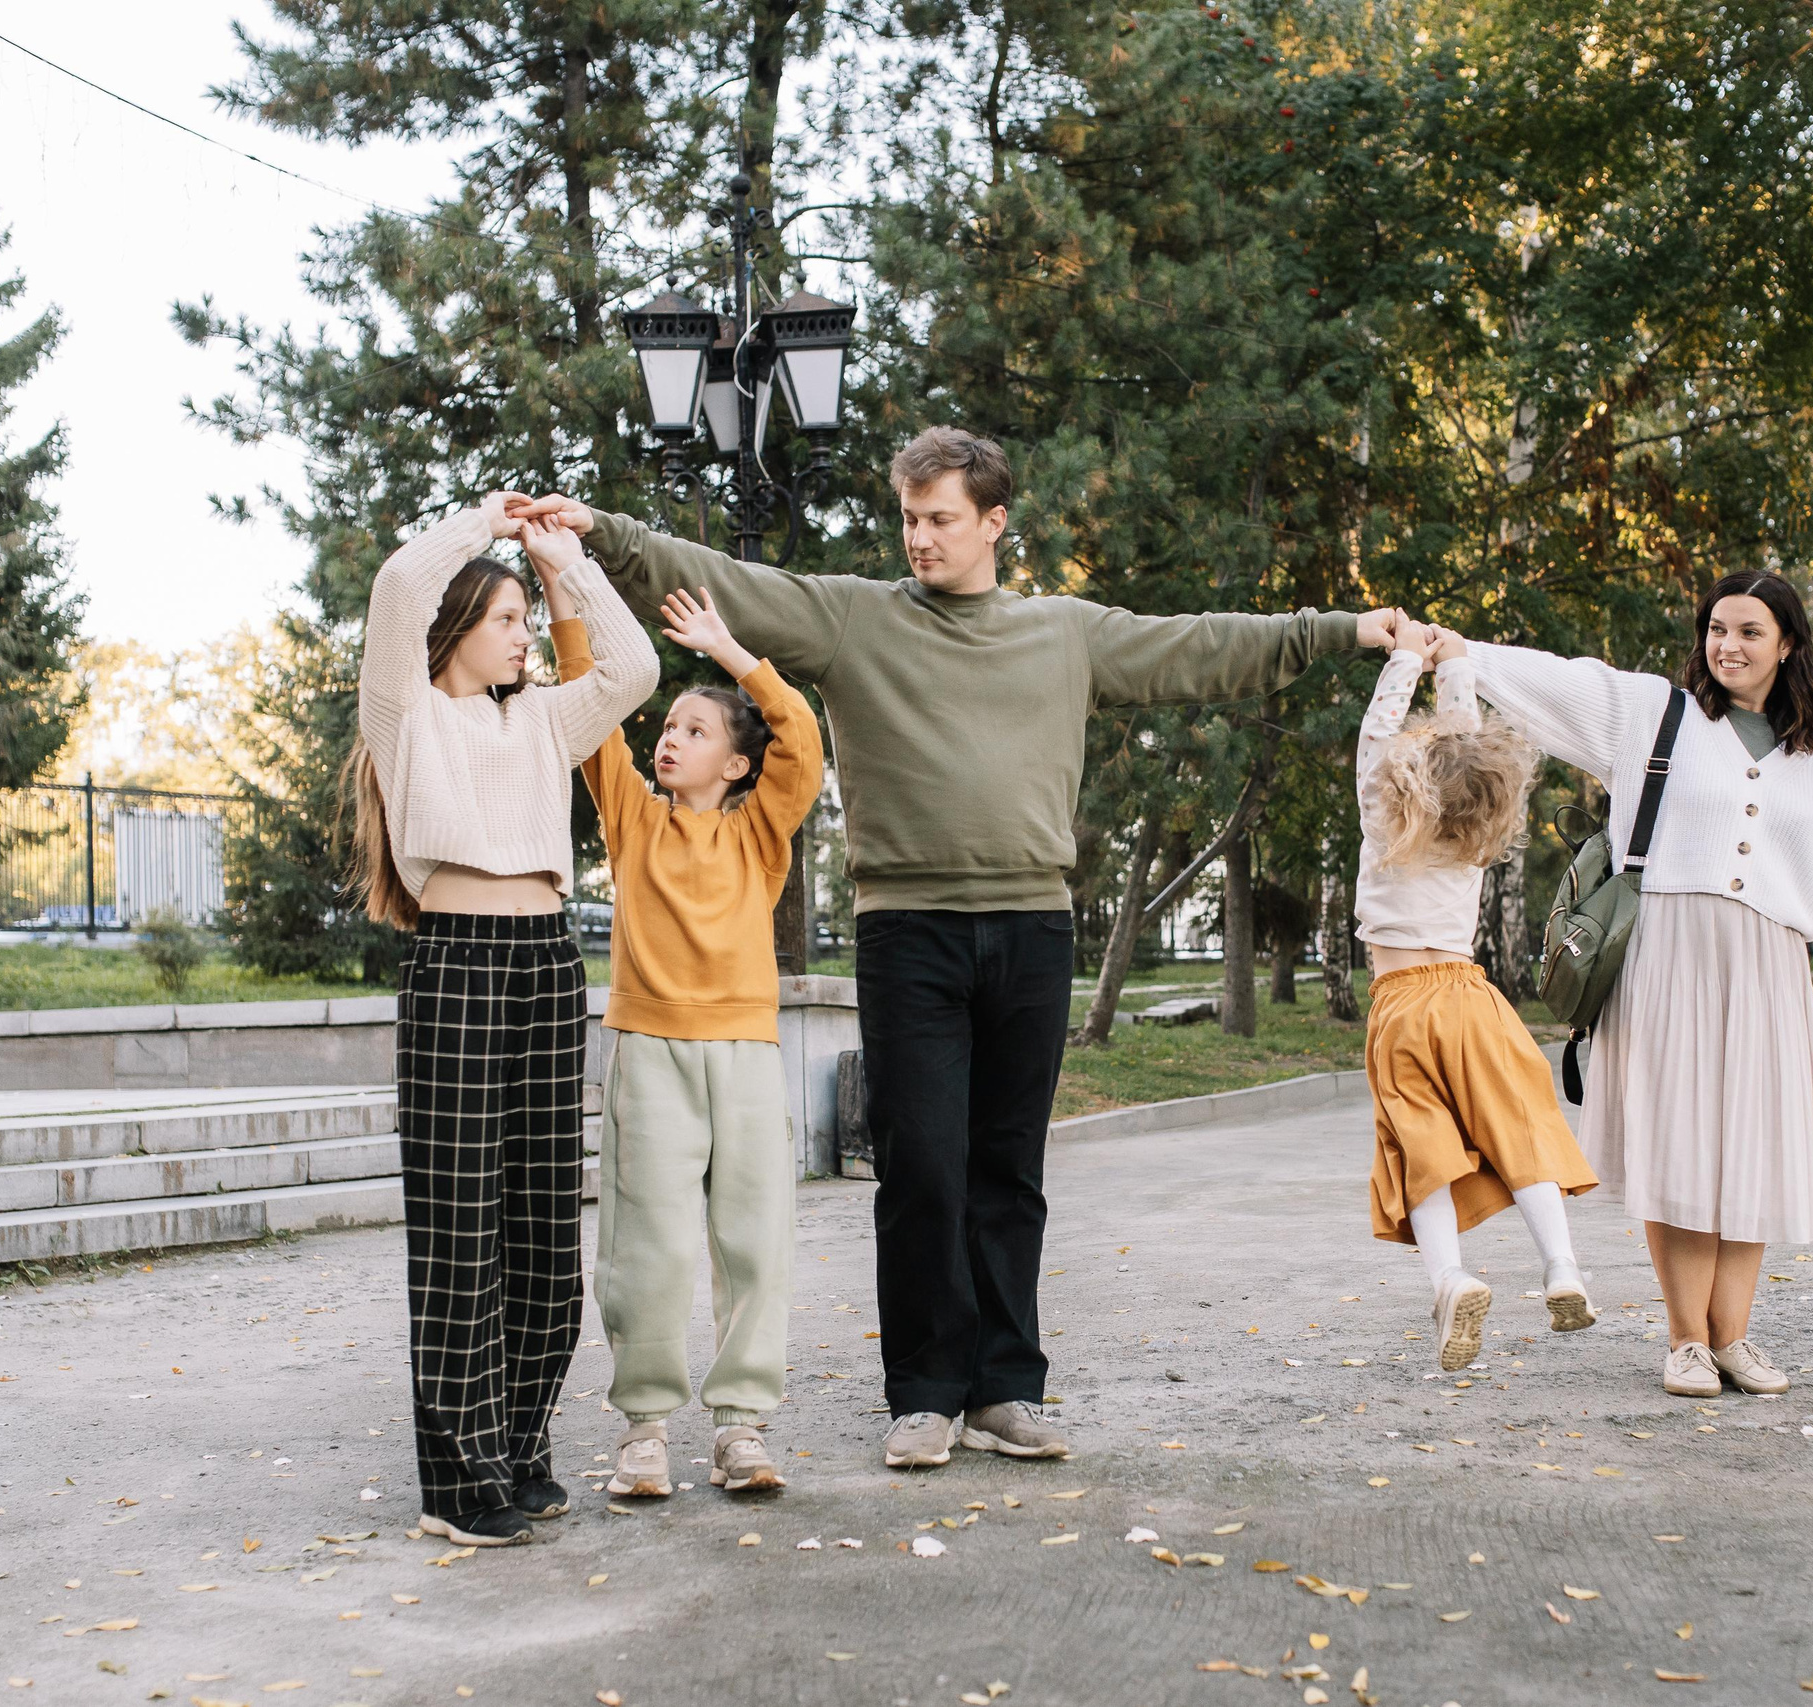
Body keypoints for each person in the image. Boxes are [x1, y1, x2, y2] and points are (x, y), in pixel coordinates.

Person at [513, 428, 1400, 1468]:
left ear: (992, 523)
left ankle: (1006, 1390)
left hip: (1030, 927)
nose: (920, 538)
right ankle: (926, 1394)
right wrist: (601, 532)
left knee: (1006, 1171)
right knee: (923, 1168)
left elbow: (1201, 646)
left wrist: (1341, 629)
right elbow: (725, 580)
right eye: (908, 519)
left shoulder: (1065, 632)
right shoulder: (855, 621)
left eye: (940, 519)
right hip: (907, 932)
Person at [1453, 570, 1813, 1399]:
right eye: (1717, 628)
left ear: (1790, 647)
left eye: (1749, 632)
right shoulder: (1650, 713)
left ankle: (1734, 1338)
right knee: (1685, 1148)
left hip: (1769, 966)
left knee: (1751, 1152)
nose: (1727, 645)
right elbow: (1552, 680)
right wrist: (1458, 652)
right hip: (1668, 958)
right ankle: (1686, 1341)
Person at [346, 492, 660, 1546]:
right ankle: (455, 1479)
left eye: (528, 622)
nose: (525, 635)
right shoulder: (406, 710)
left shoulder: (542, 718)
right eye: (507, 620)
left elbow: (634, 671)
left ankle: (519, 1450)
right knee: (458, 1232)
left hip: (543, 962)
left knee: (538, 1231)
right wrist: (481, 523)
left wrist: (560, 562)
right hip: (458, 965)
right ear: (458, 632)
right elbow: (397, 587)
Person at [528, 522, 825, 1500]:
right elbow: (586, 704)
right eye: (670, 727)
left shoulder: (761, 833)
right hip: (648, 1047)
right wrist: (558, 586)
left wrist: (731, 657)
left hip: (742, 1048)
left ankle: (741, 1428)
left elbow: (804, 743)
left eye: (696, 730)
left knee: (753, 1242)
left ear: (736, 766)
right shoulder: (629, 813)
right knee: (645, 1243)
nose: (672, 737)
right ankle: (644, 1428)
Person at [1354, 625, 1599, 1371]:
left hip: (1399, 1002)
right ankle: (1561, 1265)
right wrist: (1455, 660)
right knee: (1516, 1123)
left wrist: (1404, 655)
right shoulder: (1475, 828)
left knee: (1419, 1146)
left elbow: (1376, 734)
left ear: (1404, 780)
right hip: (1469, 995)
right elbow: (1463, 739)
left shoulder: (1385, 813)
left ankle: (1450, 1277)